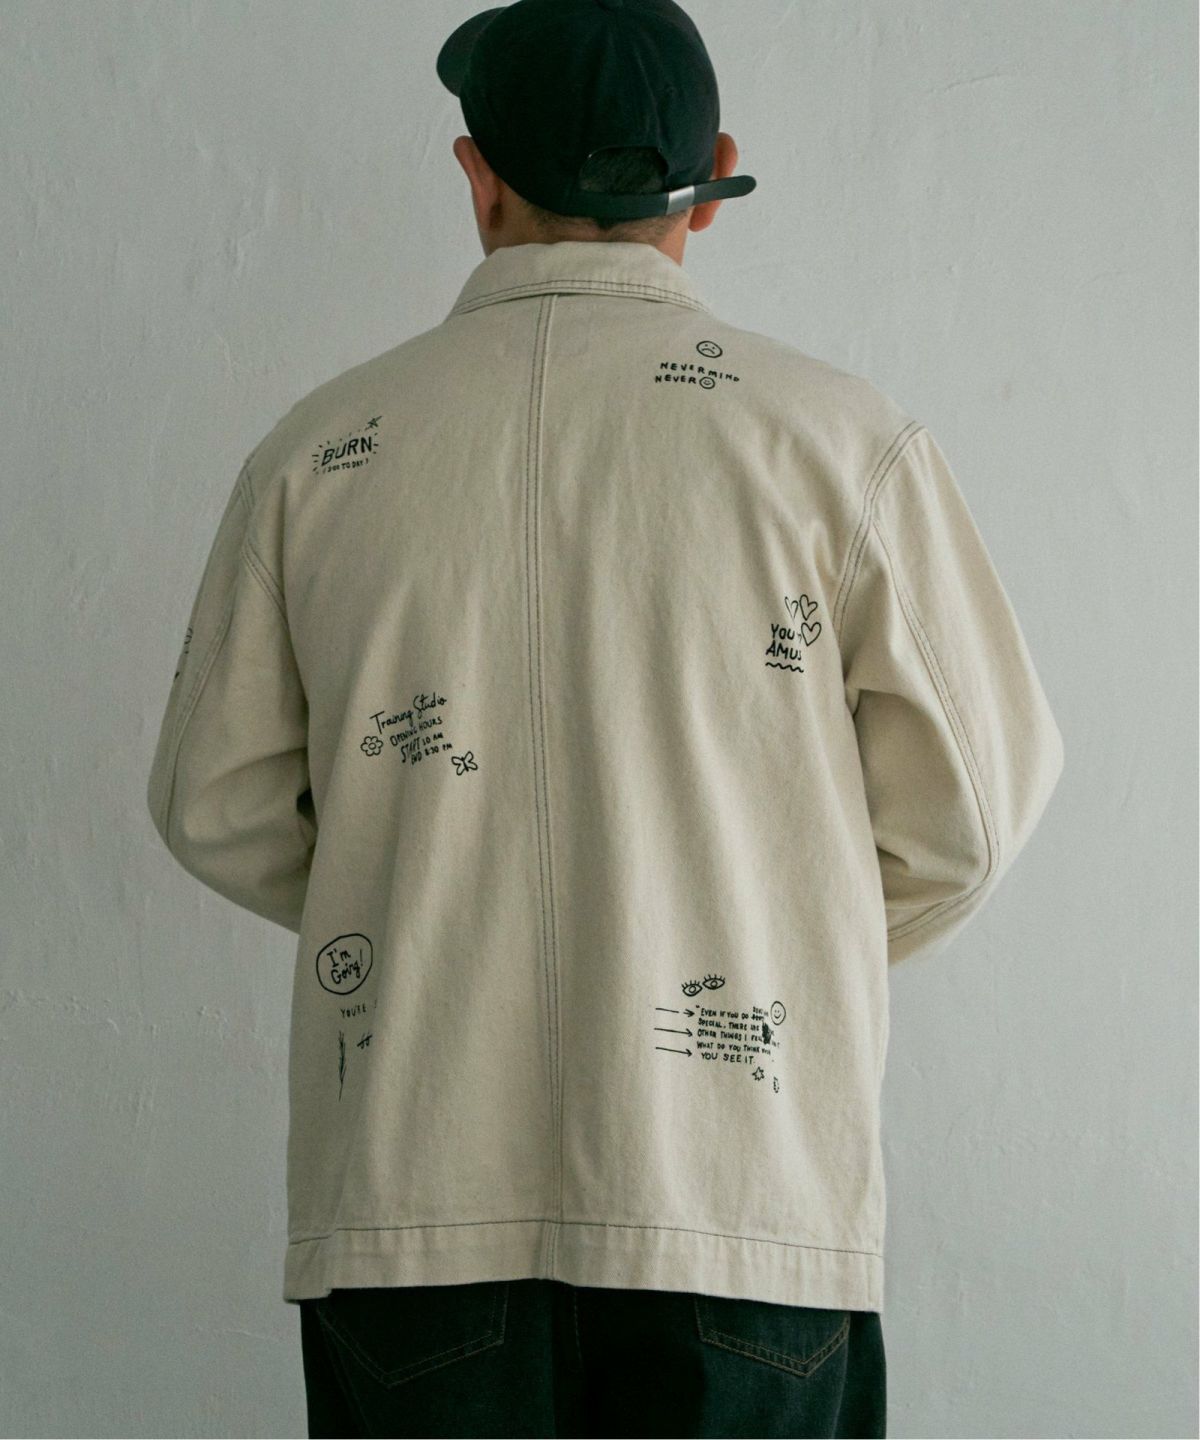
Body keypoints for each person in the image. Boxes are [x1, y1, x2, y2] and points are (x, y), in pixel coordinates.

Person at [144, 1, 1065, 1435]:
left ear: (478, 178)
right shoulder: (839, 446)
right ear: (712, 178)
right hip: (739, 1205)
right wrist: (763, 923)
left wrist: (425, 898)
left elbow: (213, 802)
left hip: (414, 1204)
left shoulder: (319, 455)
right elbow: (975, 817)